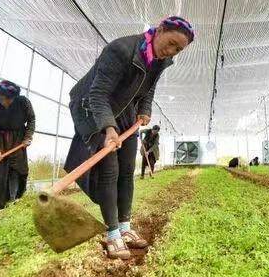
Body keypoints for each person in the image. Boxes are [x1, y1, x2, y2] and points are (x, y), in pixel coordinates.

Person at [65, 16, 194, 260]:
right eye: (171, 43)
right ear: (160, 29)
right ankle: (112, 234)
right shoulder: (121, 50)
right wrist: (108, 128)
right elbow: (98, 93)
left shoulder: (161, 60)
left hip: (126, 110)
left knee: (127, 169)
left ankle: (125, 227)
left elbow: (149, 87)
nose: (171, 51)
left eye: (178, 49)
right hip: (92, 108)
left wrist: (144, 109)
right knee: (110, 170)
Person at [0, 80, 35, 210]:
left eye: (8, 99)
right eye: (1, 99)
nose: (4, 102)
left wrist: (27, 137)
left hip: (17, 142)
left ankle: (14, 201)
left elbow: (31, 119)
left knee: (16, 171)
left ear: (14, 97)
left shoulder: (24, 103)